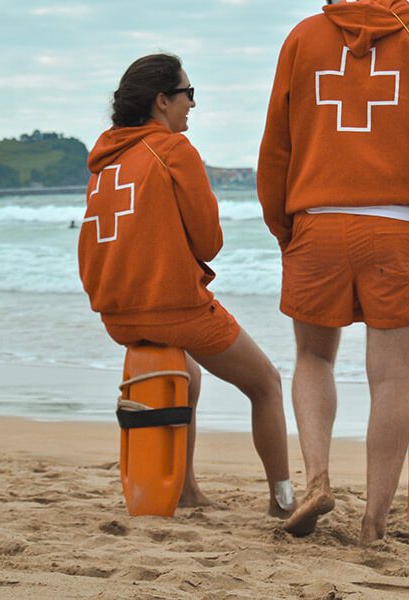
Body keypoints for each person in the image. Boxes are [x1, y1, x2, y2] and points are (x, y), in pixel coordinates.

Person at [258, 0, 409, 542]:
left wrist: (281, 224)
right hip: (396, 228)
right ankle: (373, 524)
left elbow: (276, 143)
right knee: (390, 378)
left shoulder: (304, 37)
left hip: (317, 222)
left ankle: (316, 482)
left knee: (313, 357)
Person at [78, 54, 294, 515]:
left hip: (117, 313)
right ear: (162, 100)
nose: (193, 105)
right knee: (266, 385)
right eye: (188, 94)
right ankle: (282, 499)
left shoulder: (104, 162)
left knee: (189, 376)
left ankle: (186, 489)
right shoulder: (174, 150)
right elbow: (210, 242)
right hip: (174, 309)